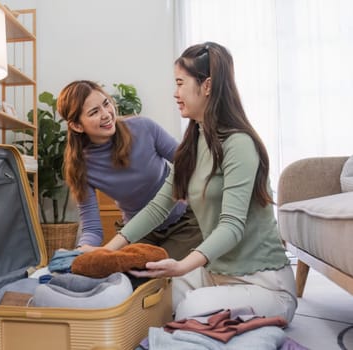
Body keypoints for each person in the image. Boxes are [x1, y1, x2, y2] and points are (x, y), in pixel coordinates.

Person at [101, 42, 298, 323]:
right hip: (215, 275)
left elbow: (231, 226)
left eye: (180, 83)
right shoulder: (193, 143)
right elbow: (158, 207)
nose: (175, 93)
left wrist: (182, 266)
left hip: (263, 283)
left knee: (188, 309)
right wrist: (107, 251)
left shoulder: (239, 144)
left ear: (207, 86)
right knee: (149, 299)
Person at [56, 80, 203, 260]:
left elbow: (189, 164)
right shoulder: (81, 167)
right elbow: (92, 228)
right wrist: (81, 251)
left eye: (106, 104)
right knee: (132, 275)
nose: (106, 114)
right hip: (138, 232)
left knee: (162, 271)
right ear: (77, 126)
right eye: (94, 112)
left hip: (184, 223)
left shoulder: (143, 128)